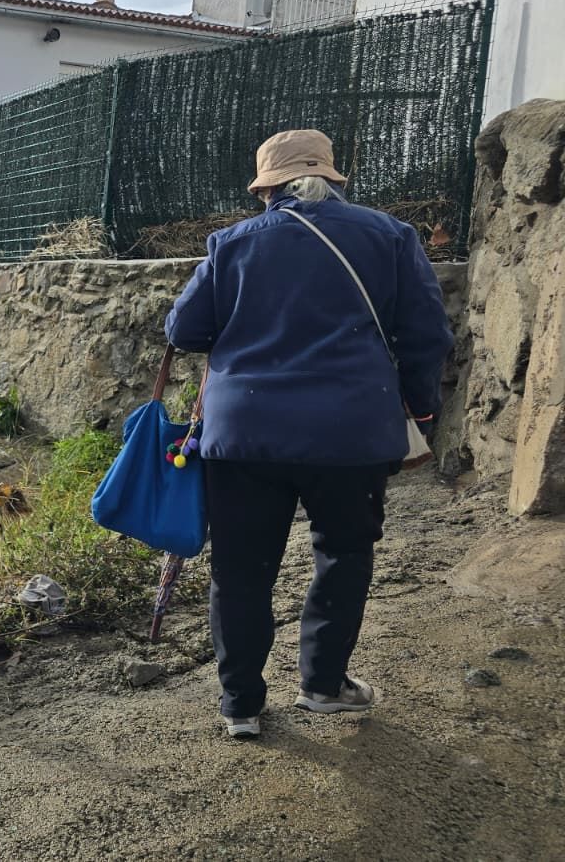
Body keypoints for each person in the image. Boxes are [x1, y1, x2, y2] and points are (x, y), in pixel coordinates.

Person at [164, 129, 453, 738]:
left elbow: (184, 331)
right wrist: (421, 411)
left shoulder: (231, 244)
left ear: (266, 188)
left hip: (243, 434)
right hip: (351, 430)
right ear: (332, 178)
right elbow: (427, 334)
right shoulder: (390, 236)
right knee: (343, 553)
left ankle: (240, 705)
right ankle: (323, 685)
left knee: (240, 570)